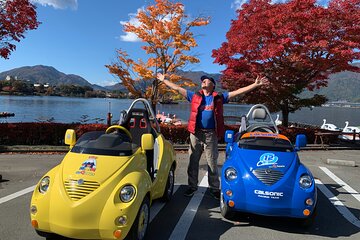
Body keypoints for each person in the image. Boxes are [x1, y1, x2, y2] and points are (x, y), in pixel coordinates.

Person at [157, 73, 267, 199]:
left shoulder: (219, 97)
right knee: (193, 161)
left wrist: (255, 84)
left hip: (211, 134)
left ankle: (214, 188)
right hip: (195, 133)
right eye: (202, 81)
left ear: (213, 85)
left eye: (206, 80)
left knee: (212, 162)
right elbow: (176, 88)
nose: (203, 82)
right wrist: (164, 80)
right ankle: (192, 186)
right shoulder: (194, 96)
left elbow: (237, 92)